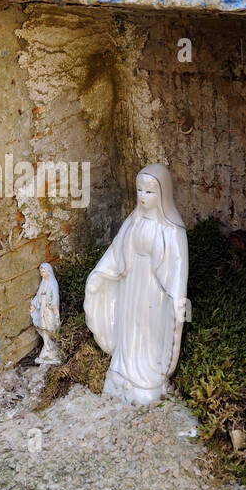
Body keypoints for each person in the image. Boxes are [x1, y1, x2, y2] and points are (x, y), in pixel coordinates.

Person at [84, 164, 188, 405]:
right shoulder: (134, 220)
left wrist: (176, 303)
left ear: (162, 194)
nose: (142, 196)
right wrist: (99, 275)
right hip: (132, 286)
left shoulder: (172, 230)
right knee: (129, 326)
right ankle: (123, 371)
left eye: (149, 192)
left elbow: (177, 272)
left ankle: (147, 379)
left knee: (148, 330)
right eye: (139, 190)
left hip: (154, 293)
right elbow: (117, 251)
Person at [30, 262, 61, 364]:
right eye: (41, 272)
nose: (42, 274)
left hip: (49, 309)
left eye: (43, 271)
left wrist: (54, 305)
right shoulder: (43, 282)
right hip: (43, 308)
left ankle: (53, 349)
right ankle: (47, 348)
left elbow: (55, 296)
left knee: (50, 326)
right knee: (44, 327)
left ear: (48, 271)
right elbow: (38, 294)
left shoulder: (53, 283)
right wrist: (34, 303)